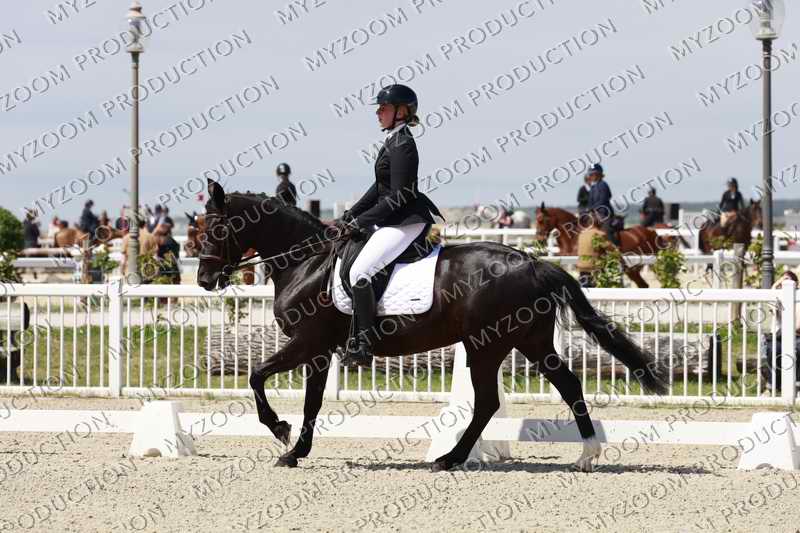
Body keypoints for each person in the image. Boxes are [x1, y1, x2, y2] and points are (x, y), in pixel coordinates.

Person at [334, 84, 443, 366]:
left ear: (402, 111)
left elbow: (399, 195)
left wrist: (361, 222)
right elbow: (379, 187)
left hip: (405, 222)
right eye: (379, 108)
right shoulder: (393, 140)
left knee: (360, 271)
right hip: (393, 219)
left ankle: (364, 345)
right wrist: (351, 214)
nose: (378, 113)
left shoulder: (403, 143)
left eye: (383, 108)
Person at [760, 270, 800, 392]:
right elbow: (771, 305)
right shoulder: (778, 299)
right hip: (779, 337)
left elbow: (798, 325)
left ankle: (797, 385)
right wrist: (775, 285)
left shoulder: (798, 298)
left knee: (798, 349)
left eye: (788, 280)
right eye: (783, 280)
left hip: (797, 336)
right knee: (774, 350)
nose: (784, 283)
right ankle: (772, 385)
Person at [587, 163, 620, 246]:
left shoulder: (603, 185)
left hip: (605, 213)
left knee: (607, 229)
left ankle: (615, 247)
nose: (591, 176)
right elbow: (590, 201)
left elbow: (603, 199)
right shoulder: (593, 187)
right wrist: (589, 209)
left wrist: (593, 208)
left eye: (593, 174)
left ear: (599, 175)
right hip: (595, 214)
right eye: (590, 175)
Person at [576, 211, 612, 288]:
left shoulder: (581, 234)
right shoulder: (599, 234)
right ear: (598, 222)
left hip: (582, 270)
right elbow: (611, 250)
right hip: (595, 270)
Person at [154, 220, 181, 284]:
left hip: (166, 271)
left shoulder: (168, 243)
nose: (157, 237)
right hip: (170, 270)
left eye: (160, 235)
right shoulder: (171, 242)